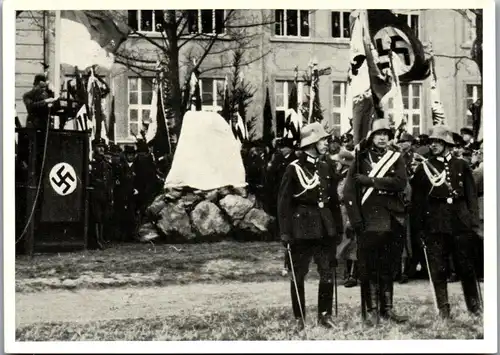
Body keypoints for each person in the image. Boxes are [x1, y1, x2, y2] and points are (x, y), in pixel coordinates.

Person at [411, 125, 481, 319]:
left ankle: (474, 307)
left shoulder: (461, 165)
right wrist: (419, 229)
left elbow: (471, 197)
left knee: (466, 266)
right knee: (438, 268)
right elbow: (418, 202)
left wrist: (473, 223)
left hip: (460, 221)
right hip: (436, 221)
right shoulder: (424, 169)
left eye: (438, 142)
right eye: (432, 142)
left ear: (447, 144)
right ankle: (443, 310)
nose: (433, 145)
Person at [343, 119, 409, 326]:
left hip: (391, 219)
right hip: (368, 220)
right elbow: (349, 191)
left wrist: (371, 181)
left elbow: (400, 183)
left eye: (386, 134)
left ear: (390, 138)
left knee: (388, 266)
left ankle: (387, 309)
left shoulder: (396, 158)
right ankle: (371, 311)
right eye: (378, 134)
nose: (382, 138)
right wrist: (355, 219)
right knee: (369, 267)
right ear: (371, 137)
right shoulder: (361, 158)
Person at [277, 122, 343, 330]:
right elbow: (284, 202)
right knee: (298, 274)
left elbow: (332, 200)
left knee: (326, 271)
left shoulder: (326, 166)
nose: (326, 143)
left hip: (325, 227)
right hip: (301, 227)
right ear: (312, 143)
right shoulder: (294, 168)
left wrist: (337, 228)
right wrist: (286, 232)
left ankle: (324, 314)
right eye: (323, 140)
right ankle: (300, 318)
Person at [333, 149, 358, 288]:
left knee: (352, 244)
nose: (336, 165)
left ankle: (352, 275)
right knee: (345, 244)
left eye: (338, 162)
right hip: (342, 212)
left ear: (343, 163)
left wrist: (351, 219)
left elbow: (349, 198)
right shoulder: (343, 177)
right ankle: (347, 273)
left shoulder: (349, 178)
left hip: (348, 213)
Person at [89, 138, 114, 249]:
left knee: (104, 216)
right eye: (99, 146)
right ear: (94, 148)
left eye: (103, 146)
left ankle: (102, 238)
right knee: (97, 217)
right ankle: (97, 240)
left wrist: (110, 194)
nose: (101, 149)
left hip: (104, 194)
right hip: (95, 194)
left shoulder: (106, 164)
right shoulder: (92, 163)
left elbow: (109, 180)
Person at [115, 145, 139, 242]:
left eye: (132, 155)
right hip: (123, 194)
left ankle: (131, 235)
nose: (130, 157)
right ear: (125, 155)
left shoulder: (137, 166)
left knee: (132, 215)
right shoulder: (121, 166)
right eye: (128, 155)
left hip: (133, 195)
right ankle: (122, 235)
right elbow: (119, 181)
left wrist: (137, 189)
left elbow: (140, 180)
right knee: (122, 215)